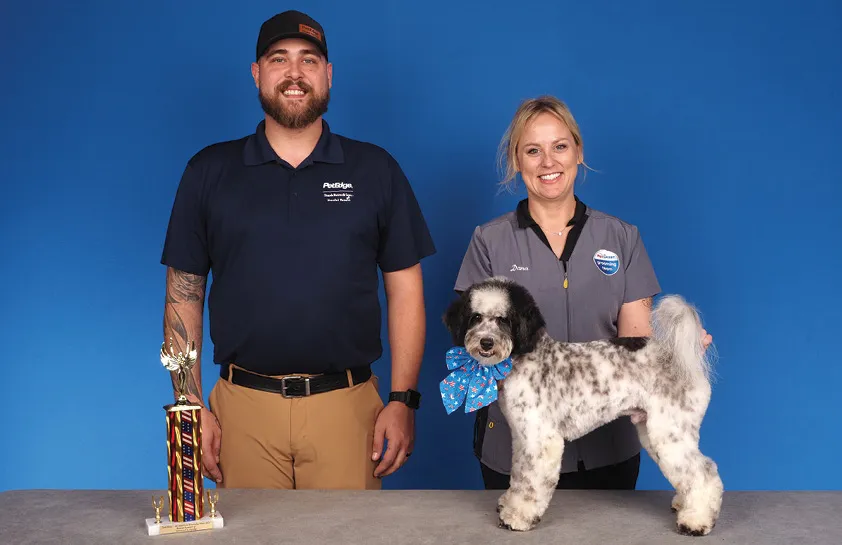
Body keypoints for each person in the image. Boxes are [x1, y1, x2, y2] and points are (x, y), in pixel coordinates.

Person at [160, 10, 435, 490]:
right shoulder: (209, 171)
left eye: (309, 60)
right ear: (257, 73)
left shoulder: (375, 170)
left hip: (348, 410)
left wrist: (402, 399)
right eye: (278, 59)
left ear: (328, 75)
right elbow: (183, 295)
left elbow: (406, 291)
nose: (294, 73)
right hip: (241, 411)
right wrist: (188, 406)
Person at [453, 95, 711, 490]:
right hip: (514, 449)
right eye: (533, 151)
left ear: (578, 151)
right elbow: (474, 339)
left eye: (559, 146)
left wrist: (679, 348)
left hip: (609, 450)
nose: (548, 162)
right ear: (517, 160)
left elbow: (635, 340)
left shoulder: (621, 237)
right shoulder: (488, 241)